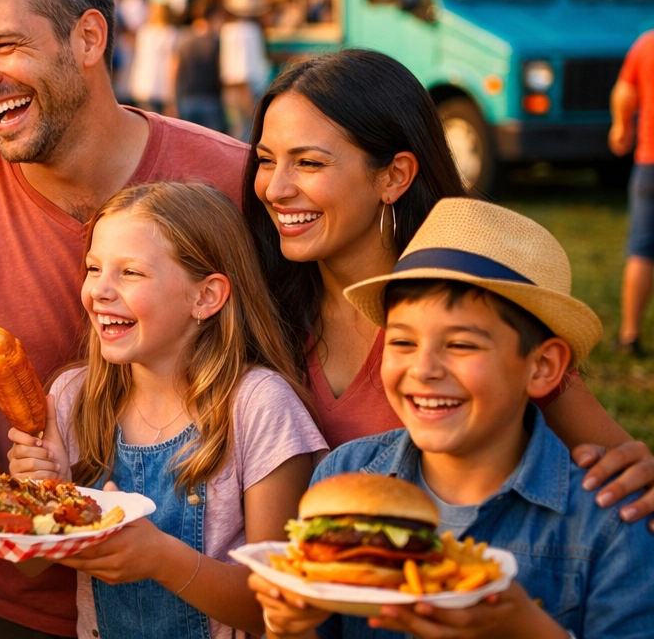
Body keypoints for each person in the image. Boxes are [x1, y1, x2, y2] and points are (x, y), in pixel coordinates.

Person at [0, 0, 249, 639]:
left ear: (88, 38)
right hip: (7, 605)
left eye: (4, 46)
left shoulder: (231, 182)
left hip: (194, 607)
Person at [248, 48, 654, 524]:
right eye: (265, 160)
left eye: (309, 163)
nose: (275, 189)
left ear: (394, 176)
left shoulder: (472, 304)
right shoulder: (262, 306)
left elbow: (616, 461)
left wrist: (638, 468)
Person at [253, 199, 654, 638]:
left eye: (461, 346)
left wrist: (528, 630)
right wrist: (286, 627)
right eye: (402, 342)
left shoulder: (608, 520)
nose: (424, 370)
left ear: (542, 367)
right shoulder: (343, 476)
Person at [6, 182, 326, 639]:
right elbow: (32, 568)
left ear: (206, 297)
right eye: (94, 268)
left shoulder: (259, 407)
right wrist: (47, 497)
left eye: (131, 273)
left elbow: (277, 607)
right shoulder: (74, 396)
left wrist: (159, 557)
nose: (100, 290)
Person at [609, 28, 654, 355]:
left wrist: (621, 125)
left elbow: (624, 91)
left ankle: (629, 335)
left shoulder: (647, 43)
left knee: (641, 249)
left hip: (649, 163)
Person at [219, 0, 269, 142]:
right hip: (246, 93)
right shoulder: (249, 31)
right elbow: (243, 74)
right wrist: (253, 111)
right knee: (247, 141)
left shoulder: (227, 29)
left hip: (232, 92)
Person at [174, 5, 226, 135]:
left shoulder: (183, 41)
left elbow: (174, 72)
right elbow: (222, 72)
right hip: (211, 100)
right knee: (213, 146)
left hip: (187, 99)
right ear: (213, 18)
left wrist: (174, 100)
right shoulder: (216, 42)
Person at [129, 3, 178, 116]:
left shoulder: (144, 32)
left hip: (141, 85)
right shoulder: (170, 33)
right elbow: (173, 63)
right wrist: (172, 94)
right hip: (161, 87)